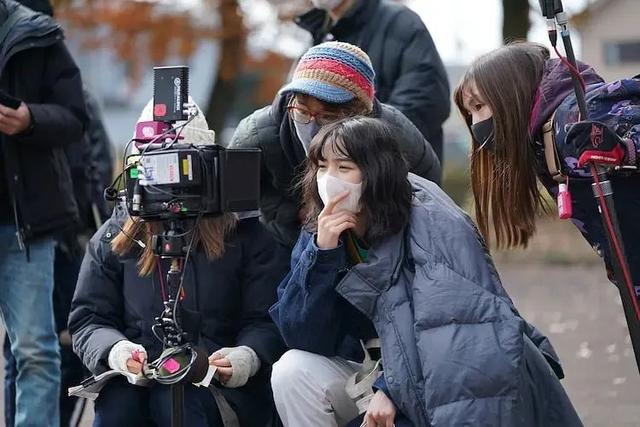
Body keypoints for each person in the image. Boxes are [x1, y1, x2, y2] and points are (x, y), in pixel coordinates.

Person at [269, 117, 582, 427]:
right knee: (291, 370)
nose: (329, 179)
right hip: (369, 366)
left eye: (344, 168)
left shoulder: (430, 220)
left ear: (376, 172)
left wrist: (391, 389)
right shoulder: (320, 229)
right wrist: (323, 255)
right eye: (322, 167)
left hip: (437, 367)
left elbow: (455, 333)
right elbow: (303, 336)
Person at [69, 105, 290, 427]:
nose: (165, 181)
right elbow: (88, 318)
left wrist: (248, 356)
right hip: (137, 381)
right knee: (118, 408)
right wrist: (116, 351)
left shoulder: (245, 231)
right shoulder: (117, 233)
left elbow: (269, 318)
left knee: (180, 405)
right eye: (152, 164)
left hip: (215, 386)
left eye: (177, 165)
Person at [453, 42, 640, 304]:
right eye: (469, 113)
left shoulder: (576, 116)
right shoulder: (542, 143)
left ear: (510, 94)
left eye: (479, 106)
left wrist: (627, 149)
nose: (475, 124)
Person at [229, 41, 441, 248]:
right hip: (284, 243)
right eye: (303, 112)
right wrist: (292, 214)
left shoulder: (393, 131)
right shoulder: (257, 133)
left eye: (328, 116)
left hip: (372, 245)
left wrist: (375, 211)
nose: (312, 125)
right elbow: (234, 198)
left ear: (361, 111)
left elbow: (426, 184)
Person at [3, 87, 114, 427]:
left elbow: (97, 169)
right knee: (29, 350)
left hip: (70, 241)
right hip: (32, 236)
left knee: (55, 348)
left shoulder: (74, 98)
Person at [0, 0, 88, 425]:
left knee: (36, 350)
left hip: (25, 224)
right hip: (26, 223)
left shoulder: (39, 34)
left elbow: (75, 116)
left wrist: (29, 119)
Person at [295, 0, 450, 164]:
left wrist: (350, 147)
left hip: (392, 178)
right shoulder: (318, 32)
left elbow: (424, 104)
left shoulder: (401, 24)